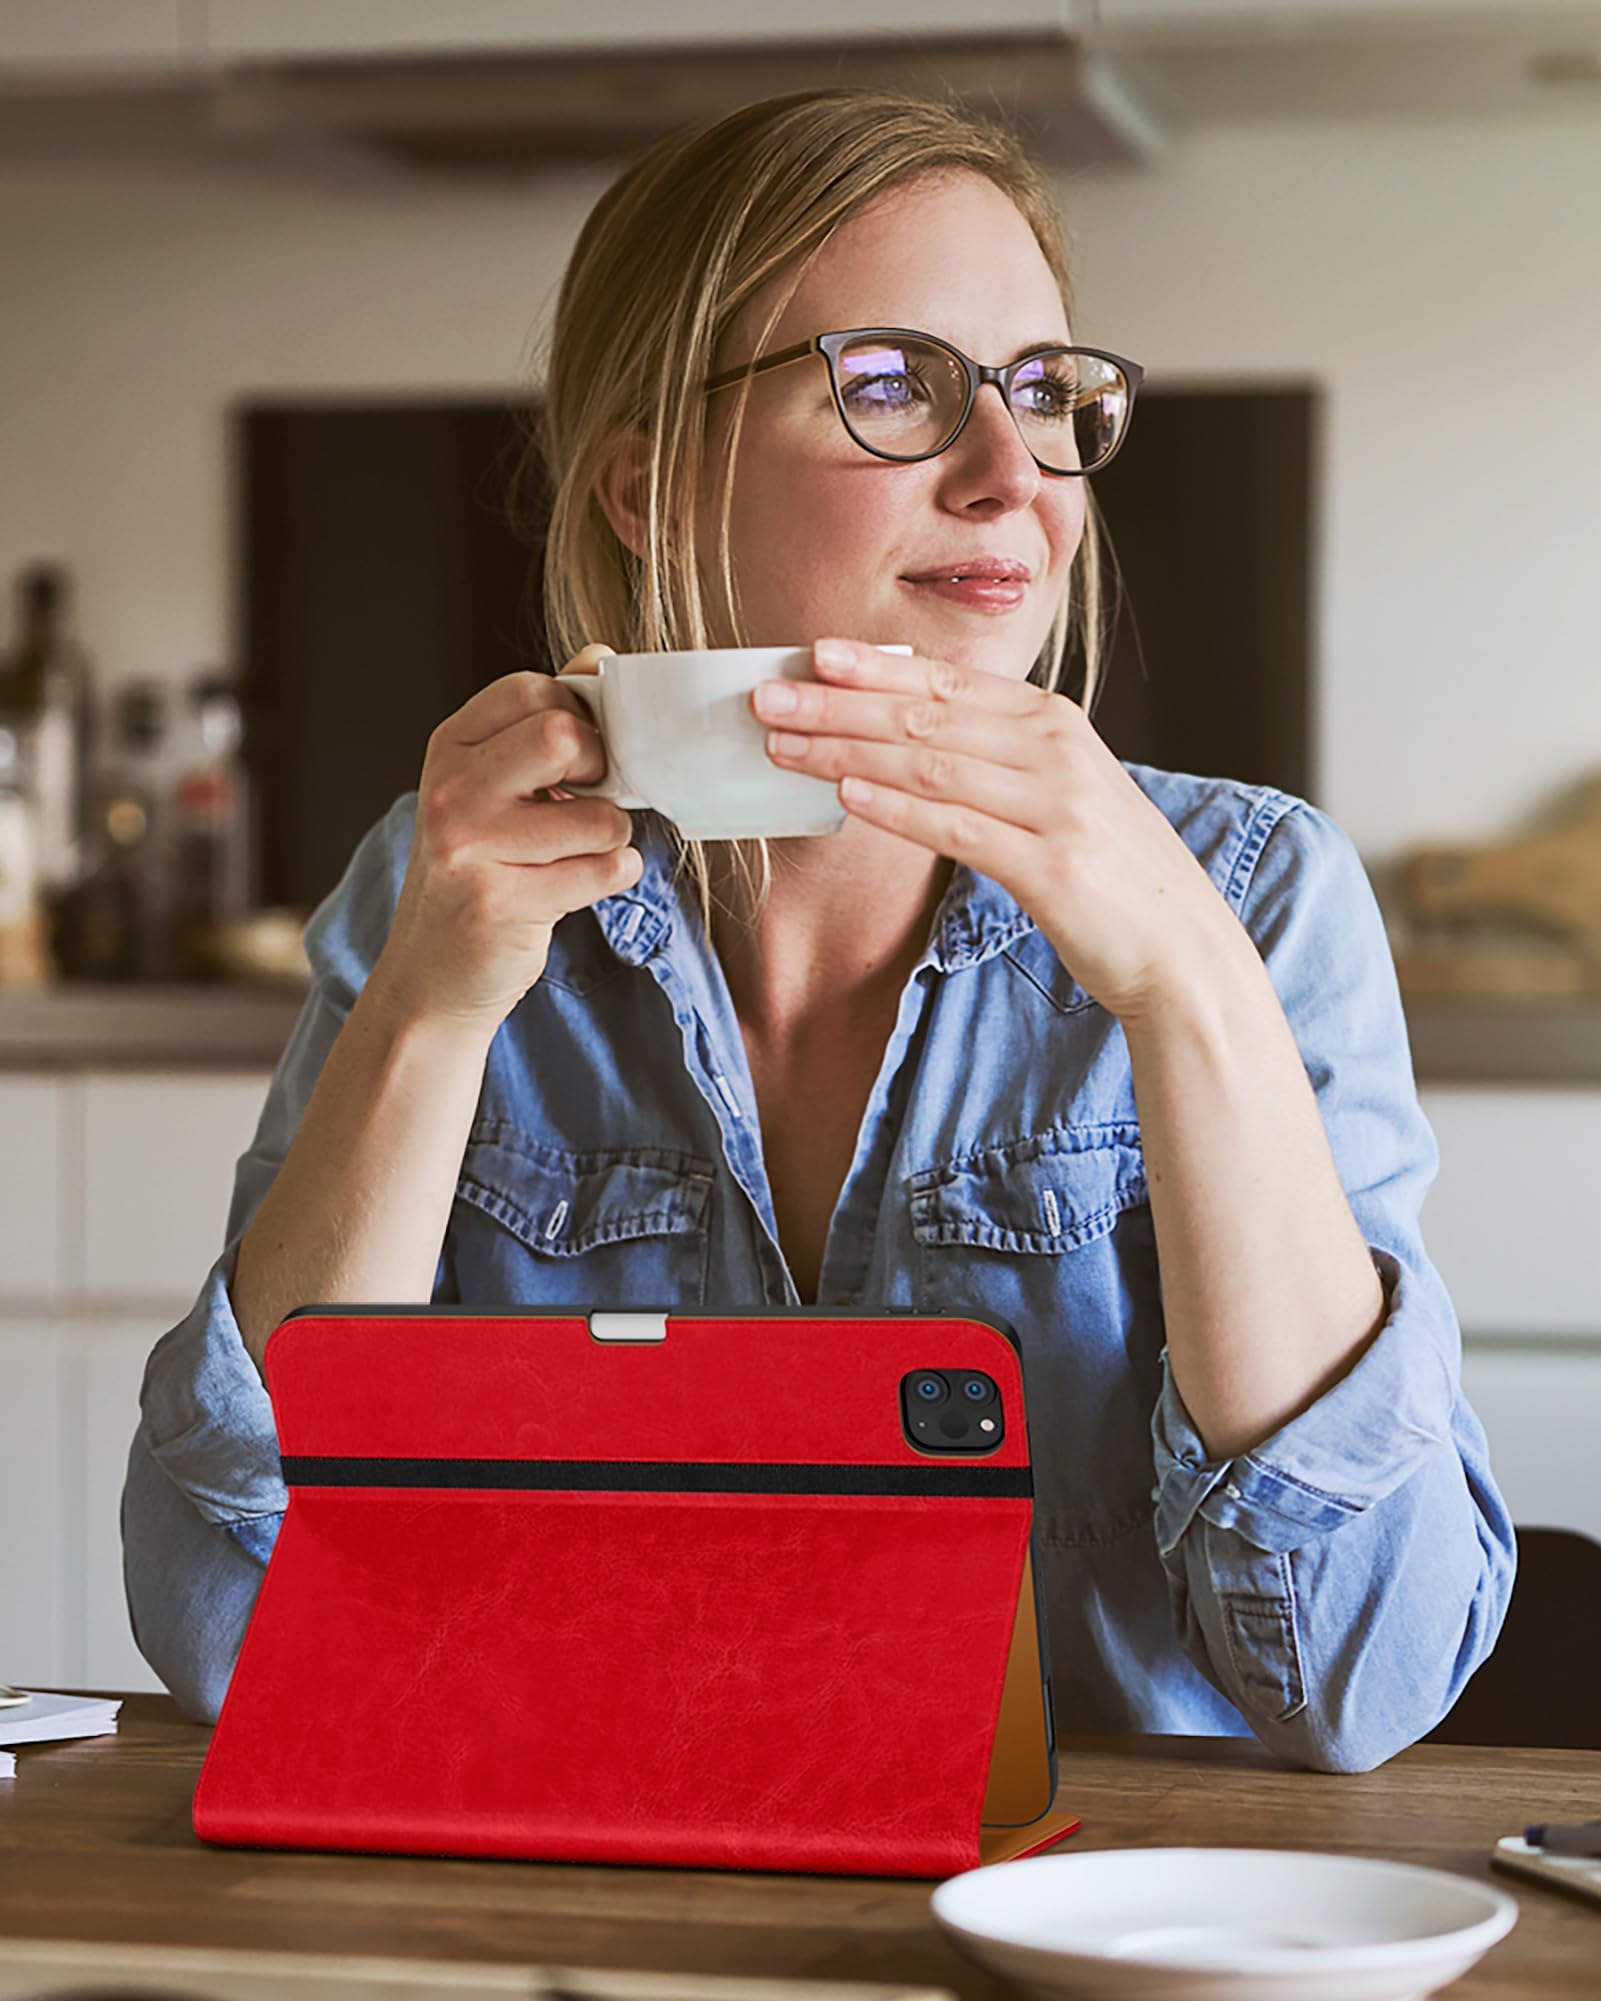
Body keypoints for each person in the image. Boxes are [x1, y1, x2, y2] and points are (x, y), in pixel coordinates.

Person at [123, 87, 1514, 1771]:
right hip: (600, 1888)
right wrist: (427, 1014)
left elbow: (1359, 1680)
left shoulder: (1256, 890)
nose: (1011, 475)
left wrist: (1187, 983)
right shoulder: (441, 893)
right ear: (646, 487)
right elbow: (235, 1632)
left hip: (1116, 1898)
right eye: (892, 385)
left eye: (1042, 393)